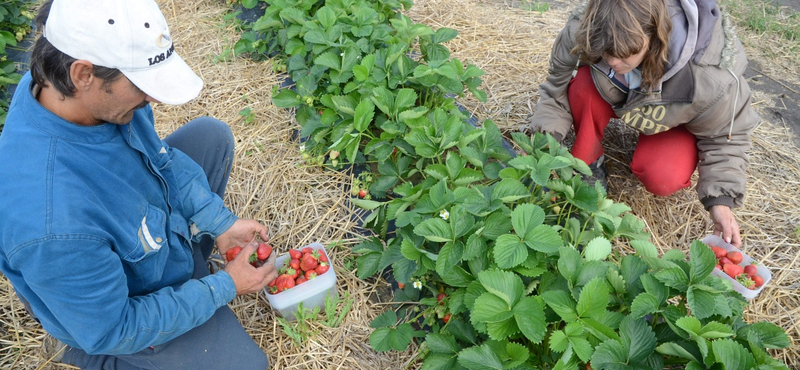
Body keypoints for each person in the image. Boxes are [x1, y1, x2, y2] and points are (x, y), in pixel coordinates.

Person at [0, 1, 278, 369]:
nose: (155, 98)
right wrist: (224, 286)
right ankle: (98, 358)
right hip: (112, 319)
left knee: (212, 136)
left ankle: (182, 263)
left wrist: (219, 222)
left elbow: (159, 156)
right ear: (83, 74)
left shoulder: (63, 89)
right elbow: (115, 326)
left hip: (132, 236)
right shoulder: (54, 223)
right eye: (143, 86)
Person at [529, 0, 759, 248]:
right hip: (617, 95)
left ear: (654, 37)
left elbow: (726, 136)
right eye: (604, 55)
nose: (611, 63)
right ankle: (588, 161)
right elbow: (556, 89)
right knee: (582, 85)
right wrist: (543, 141)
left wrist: (721, 201)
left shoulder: (710, 75)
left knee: (663, 176)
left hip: (671, 116)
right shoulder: (585, 28)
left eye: (622, 55)